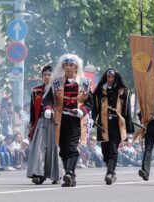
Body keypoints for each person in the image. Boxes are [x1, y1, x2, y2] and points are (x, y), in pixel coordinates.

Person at [52, 54, 93, 187]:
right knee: (63, 150)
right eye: (66, 65)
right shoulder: (57, 82)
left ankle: (69, 172)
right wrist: (47, 108)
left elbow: (90, 102)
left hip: (76, 120)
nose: (69, 68)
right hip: (61, 119)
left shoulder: (85, 83)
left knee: (72, 147)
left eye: (71, 65)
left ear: (76, 68)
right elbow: (48, 99)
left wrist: (83, 111)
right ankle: (71, 177)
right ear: (63, 67)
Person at [92, 68, 134, 185]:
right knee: (105, 151)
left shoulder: (123, 92)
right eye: (108, 77)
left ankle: (110, 173)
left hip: (116, 124)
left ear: (116, 78)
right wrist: (92, 119)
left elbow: (127, 112)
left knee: (113, 149)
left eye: (112, 77)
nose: (110, 79)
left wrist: (129, 131)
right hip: (103, 124)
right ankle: (112, 171)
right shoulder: (100, 91)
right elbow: (95, 108)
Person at [26, 65, 62, 185]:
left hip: (54, 121)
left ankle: (55, 175)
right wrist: (31, 125)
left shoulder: (57, 89)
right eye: (44, 75)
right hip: (40, 121)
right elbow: (32, 110)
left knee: (53, 147)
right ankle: (38, 174)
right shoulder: (35, 91)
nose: (46, 77)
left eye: (49, 74)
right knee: (39, 147)